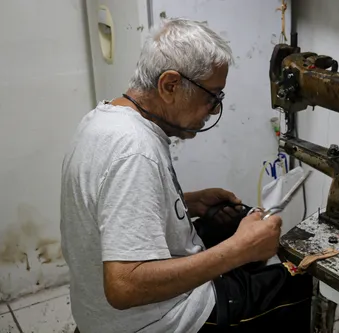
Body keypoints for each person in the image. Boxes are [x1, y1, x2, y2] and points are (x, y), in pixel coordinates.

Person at [60, 17, 311, 333]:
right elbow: (124, 287)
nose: (214, 110)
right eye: (212, 97)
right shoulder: (134, 150)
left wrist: (189, 203)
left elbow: (107, 206)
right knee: (301, 287)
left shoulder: (103, 120)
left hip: (98, 315)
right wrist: (238, 251)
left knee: (236, 219)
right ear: (169, 86)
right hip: (151, 322)